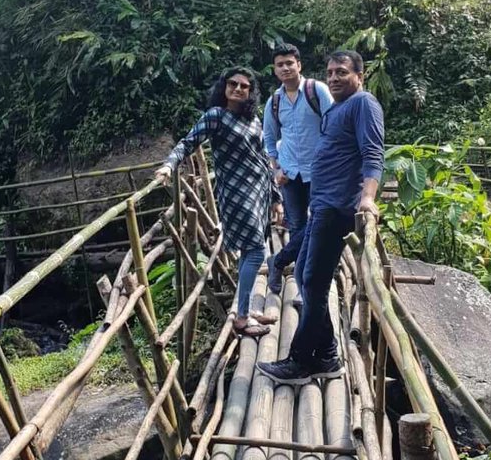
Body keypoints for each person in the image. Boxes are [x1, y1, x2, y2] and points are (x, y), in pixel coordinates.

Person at [257, 49, 384, 384]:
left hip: (339, 206)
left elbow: (373, 152)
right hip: (322, 204)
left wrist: (368, 198)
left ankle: (301, 361)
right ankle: (327, 355)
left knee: (312, 279)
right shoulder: (337, 108)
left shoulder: (363, 104)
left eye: (341, 72)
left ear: (360, 74)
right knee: (303, 274)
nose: (334, 78)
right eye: (329, 73)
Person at [155, 68, 282, 339]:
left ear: (250, 91)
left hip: (259, 191)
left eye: (244, 86)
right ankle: (242, 319)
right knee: (256, 251)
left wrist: (275, 197)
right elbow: (188, 142)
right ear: (224, 86)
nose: (238, 89)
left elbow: (262, 158)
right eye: (233, 83)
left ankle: (245, 309)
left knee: (250, 252)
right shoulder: (215, 116)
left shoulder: (253, 120)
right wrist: (169, 165)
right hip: (237, 193)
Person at [262, 44, 332, 296]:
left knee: (318, 224)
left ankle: (279, 261)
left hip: (319, 172)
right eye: (280, 64)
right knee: (298, 226)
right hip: (289, 174)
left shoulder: (317, 91)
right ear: (275, 70)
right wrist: (276, 168)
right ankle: (303, 286)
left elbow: (333, 124)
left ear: (299, 65)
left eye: (289, 63)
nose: (285, 68)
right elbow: (269, 139)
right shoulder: (274, 101)